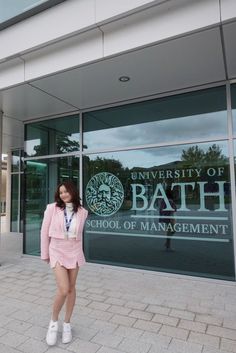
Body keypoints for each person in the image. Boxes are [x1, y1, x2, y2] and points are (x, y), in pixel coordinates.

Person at [40, 180, 88, 346]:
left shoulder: (82, 212)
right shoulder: (52, 208)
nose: (63, 195)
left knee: (72, 288)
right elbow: (44, 231)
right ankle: (53, 323)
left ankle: (67, 324)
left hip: (74, 251)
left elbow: (79, 235)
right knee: (64, 288)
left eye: (66, 191)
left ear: (73, 192)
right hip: (57, 250)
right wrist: (45, 253)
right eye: (61, 192)